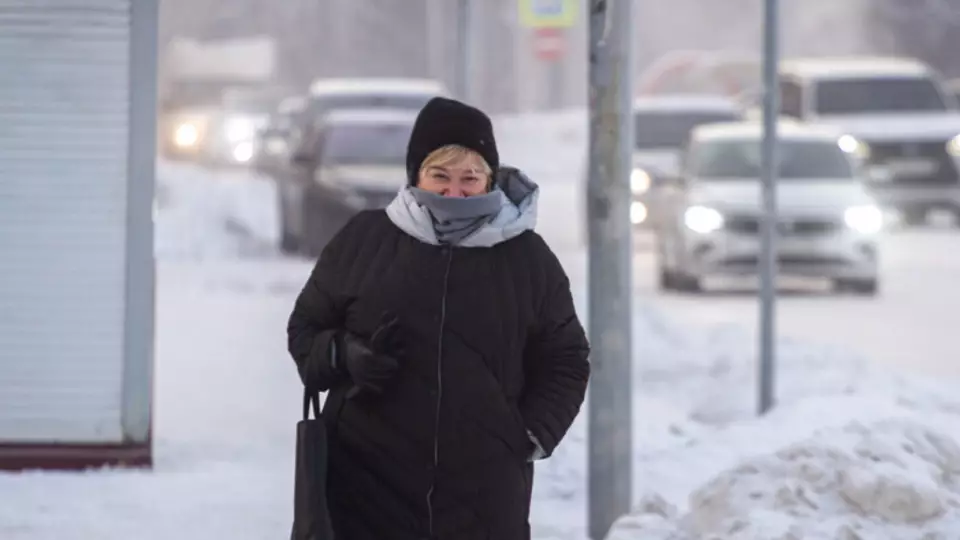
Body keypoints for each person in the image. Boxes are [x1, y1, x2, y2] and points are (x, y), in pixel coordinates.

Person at [287, 97, 590, 540]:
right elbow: (305, 329)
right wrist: (343, 354)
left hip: (484, 499)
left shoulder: (526, 258)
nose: (454, 192)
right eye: (440, 176)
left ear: (490, 179)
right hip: (363, 488)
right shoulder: (365, 240)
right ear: (416, 175)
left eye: (470, 178)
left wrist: (525, 436)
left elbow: (567, 358)